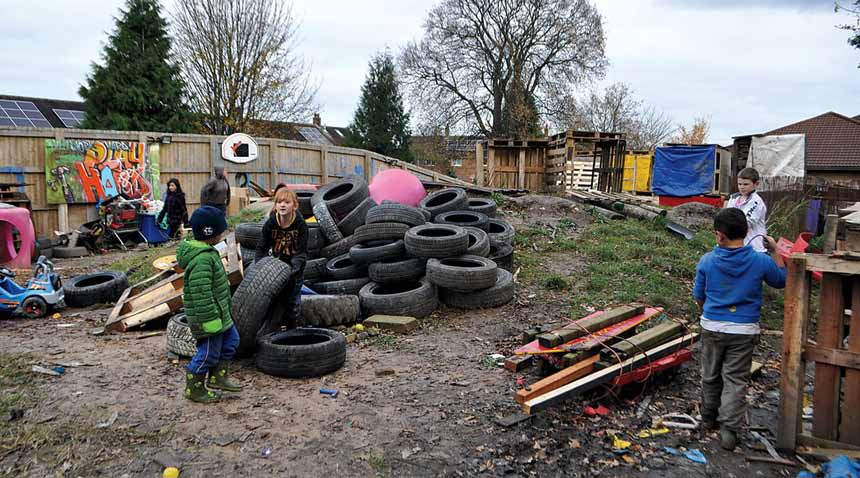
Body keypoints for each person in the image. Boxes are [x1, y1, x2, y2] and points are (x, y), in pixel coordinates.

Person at [693, 208, 786, 450]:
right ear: (746, 231)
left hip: (712, 326)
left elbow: (699, 296)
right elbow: (781, 280)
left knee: (710, 375)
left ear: (719, 235)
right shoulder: (761, 260)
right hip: (744, 331)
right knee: (735, 380)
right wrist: (775, 251)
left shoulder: (707, 261)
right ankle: (729, 431)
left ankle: (708, 418)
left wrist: (706, 313)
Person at [176, 205, 242, 403]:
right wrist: (210, 319)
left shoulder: (208, 252)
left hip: (220, 314)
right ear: (209, 232)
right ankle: (194, 388)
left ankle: (217, 377)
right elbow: (200, 293)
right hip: (209, 318)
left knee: (232, 341)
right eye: (220, 231)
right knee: (208, 354)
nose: (223, 234)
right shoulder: (202, 260)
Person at [255, 188, 308, 330]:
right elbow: (261, 248)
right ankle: (273, 332)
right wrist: (258, 268)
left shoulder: (301, 225)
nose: (282, 205)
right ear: (275, 205)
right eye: (279, 202)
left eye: (286, 202)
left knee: (292, 305)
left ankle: (292, 332)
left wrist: (294, 269)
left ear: (294, 205)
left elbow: (301, 252)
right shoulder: (271, 223)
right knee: (273, 303)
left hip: (295, 271)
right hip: (276, 268)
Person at [726, 167, 767, 252]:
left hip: (754, 247)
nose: (742, 187)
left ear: (756, 184)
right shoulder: (733, 199)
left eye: (746, 184)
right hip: (736, 247)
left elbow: (745, 224)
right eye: (739, 184)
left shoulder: (756, 202)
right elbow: (726, 219)